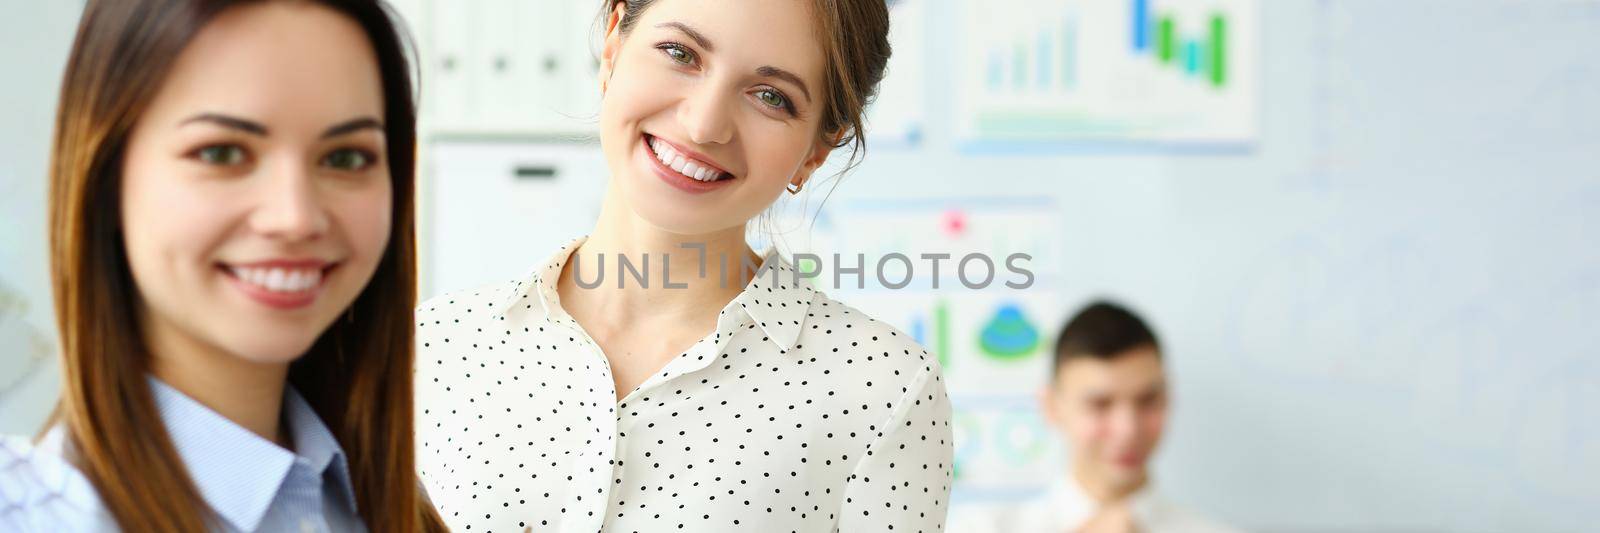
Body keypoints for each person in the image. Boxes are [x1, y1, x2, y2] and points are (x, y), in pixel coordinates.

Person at [412, 0, 954, 530]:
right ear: (614, 44)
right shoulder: (426, 348)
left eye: (771, 97)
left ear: (817, 149)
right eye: (681, 53)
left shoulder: (885, 388)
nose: (703, 124)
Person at [0, 1, 446, 531]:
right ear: (106, 176)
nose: (296, 217)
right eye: (222, 153)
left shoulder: (386, 504)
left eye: (346, 158)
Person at [951, 301, 1241, 533]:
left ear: (1168, 397)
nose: (1128, 430)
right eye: (1100, 404)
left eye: (1148, 400)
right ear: (1052, 407)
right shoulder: (982, 527)